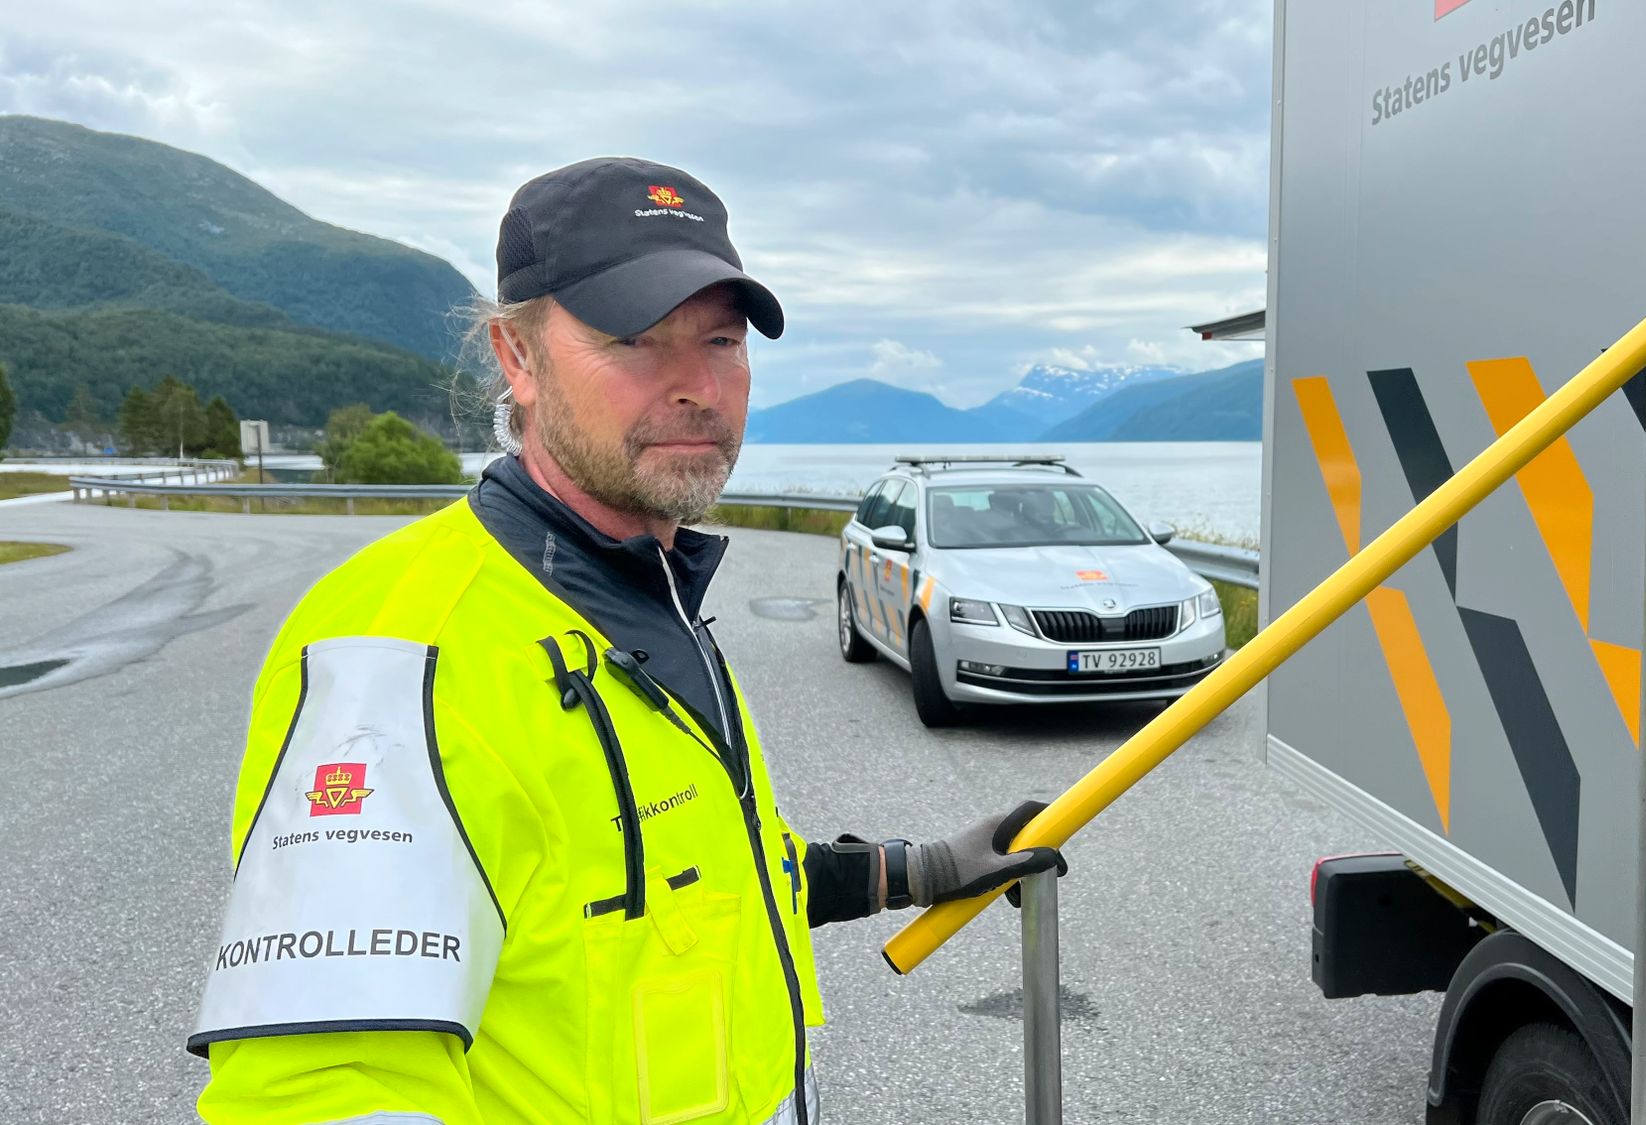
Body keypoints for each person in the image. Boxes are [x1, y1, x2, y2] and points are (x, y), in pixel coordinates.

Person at [187, 156, 1067, 1125]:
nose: (697, 385)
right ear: (516, 358)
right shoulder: (394, 656)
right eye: (636, 339)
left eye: (722, 340)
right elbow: (326, 1095)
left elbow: (707, 883)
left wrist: (926, 869)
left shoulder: (653, 591)